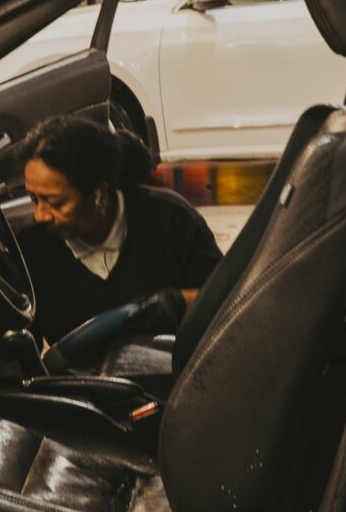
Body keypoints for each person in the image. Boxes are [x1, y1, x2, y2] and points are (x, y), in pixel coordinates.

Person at [18, 115, 222, 344]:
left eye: (55, 203)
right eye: (33, 199)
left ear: (99, 195)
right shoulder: (31, 249)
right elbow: (16, 348)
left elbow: (227, 302)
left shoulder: (170, 217)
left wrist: (174, 304)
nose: (40, 215)